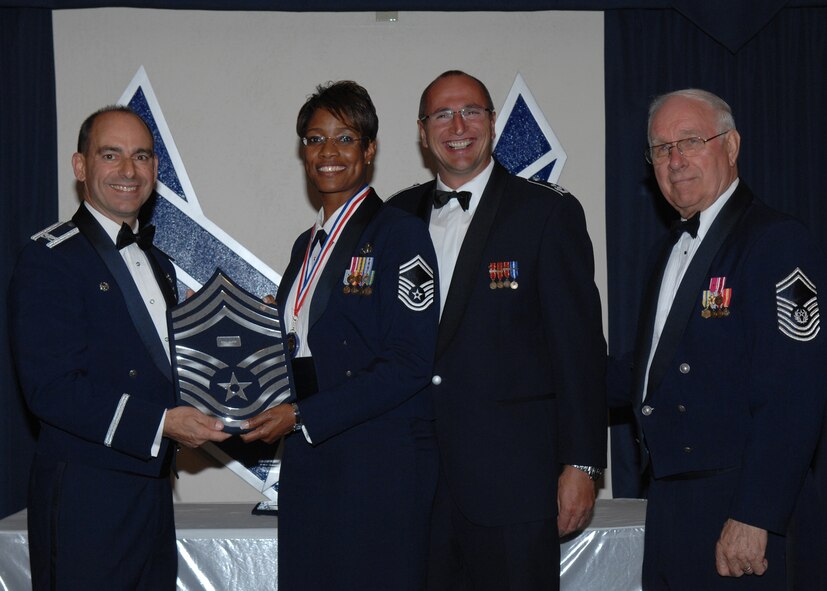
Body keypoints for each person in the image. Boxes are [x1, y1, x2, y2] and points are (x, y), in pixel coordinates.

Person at [388, 70, 607, 591]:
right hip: (411, 484)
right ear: (422, 132)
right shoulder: (394, 217)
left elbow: (579, 351)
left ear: (492, 122)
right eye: (442, 114)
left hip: (514, 488)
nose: (458, 125)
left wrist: (582, 464)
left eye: (472, 112)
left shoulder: (547, 212)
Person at [8, 106, 230, 590]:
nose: (129, 171)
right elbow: (51, 390)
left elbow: (167, 369)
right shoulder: (49, 260)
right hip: (87, 497)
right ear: (81, 166)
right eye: (111, 155)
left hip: (151, 491)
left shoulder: (160, 265)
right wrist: (163, 423)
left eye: (142, 157)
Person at [240, 81, 440, 590]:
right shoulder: (304, 246)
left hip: (378, 463)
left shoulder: (400, 233)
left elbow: (410, 362)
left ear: (369, 150)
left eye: (345, 138)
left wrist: (304, 414)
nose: (328, 152)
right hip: (310, 456)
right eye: (314, 139)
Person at [633, 88, 827, 589]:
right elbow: (643, 373)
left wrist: (756, 514)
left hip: (738, 511)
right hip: (673, 507)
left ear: (732, 146)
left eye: (691, 140)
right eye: (660, 148)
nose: (674, 160)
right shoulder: (667, 252)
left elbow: (794, 392)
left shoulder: (775, 241)